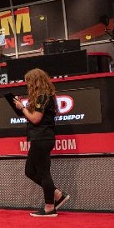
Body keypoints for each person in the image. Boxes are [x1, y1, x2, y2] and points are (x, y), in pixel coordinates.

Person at [11, 68, 70, 217]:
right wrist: (21, 107)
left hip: (42, 138)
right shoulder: (43, 96)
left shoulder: (43, 96)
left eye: (29, 82)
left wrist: (22, 107)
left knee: (43, 173)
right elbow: (34, 117)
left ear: (36, 80)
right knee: (30, 171)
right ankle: (57, 195)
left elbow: (35, 119)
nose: (28, 85)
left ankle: (50, 207)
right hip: (40, 138)